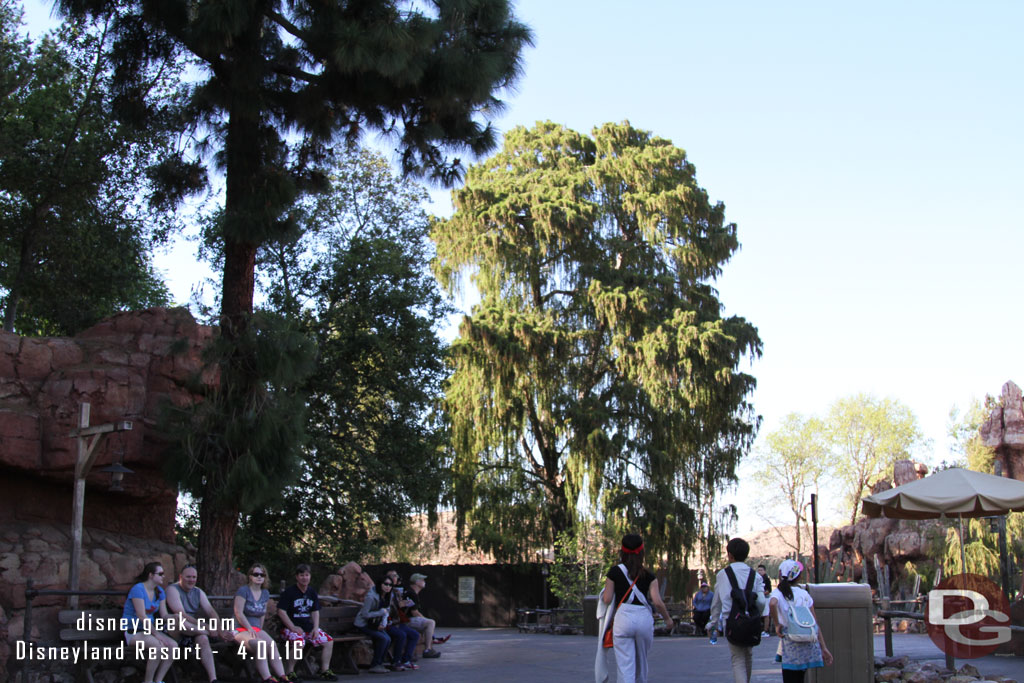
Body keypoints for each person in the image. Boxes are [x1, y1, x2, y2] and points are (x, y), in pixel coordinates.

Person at [598, 534, 674, 683]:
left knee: (625, 667)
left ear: (622, 551)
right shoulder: (649, 575)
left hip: (623, 618)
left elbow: (606, 599)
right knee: (641, 665)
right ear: (642, 551)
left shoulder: (614, 572)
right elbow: (657, 602)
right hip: (643, 619)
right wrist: (668, 619)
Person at [709, 538, 766, 683]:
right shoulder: (756, 576)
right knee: (748, 654)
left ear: (730, 555)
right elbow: (761, 601)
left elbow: (716, 602)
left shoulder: (723, 575)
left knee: (737, 658)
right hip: (751, 621)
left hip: (732, 622)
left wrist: (713, 623)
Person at [166, 564, 232, 683]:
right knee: (181, 622)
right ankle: (208, 633)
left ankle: (213, 679)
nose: (191, 580)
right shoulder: (172, 589)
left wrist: (219, 628)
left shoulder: (198, 591)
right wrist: (207, 627)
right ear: (180, 577)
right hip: (176, 630)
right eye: (188, 577)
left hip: (194, 630)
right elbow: (181, 614)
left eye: (194, 577)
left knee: (203, 639)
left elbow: (210, 611)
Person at [769, 559, 833, 682]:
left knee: (790, 677)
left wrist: (777, 624)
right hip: (807, 641)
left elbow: (772, 604)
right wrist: (823, 647)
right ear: (798, 577)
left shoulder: (778, 592)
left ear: (780, 575)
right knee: (800, 677)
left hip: (790, 642)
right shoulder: (804, 594)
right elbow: (815, 622)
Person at [277, 564, 337, 681]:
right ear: (297, 577)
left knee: (329, 641)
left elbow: (315, 611)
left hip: (307, 628)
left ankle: (324, 670)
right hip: (289, 628)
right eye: (301, 575)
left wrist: (315, 628)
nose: (304, 578)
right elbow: (281, 611)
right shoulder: (289, 592)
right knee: (300, 642)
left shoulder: (311, 592)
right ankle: (290, 672)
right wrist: (292, 627)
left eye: (307, 575)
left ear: (310, 576)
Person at [122, 561, 179, 683]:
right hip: (134, 630)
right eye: (160, 573)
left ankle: (158, 680)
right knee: (158, 647)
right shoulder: (138, 589)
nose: (163, 576)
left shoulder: (160, 592)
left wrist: (174, 617)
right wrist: (157, 635)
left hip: (150, 632)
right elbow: (141, 616)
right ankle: (148, 681)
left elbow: (164, 615)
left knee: (174, 647)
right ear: (150, 575)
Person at [233, 562, 287, 683]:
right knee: (261, 645)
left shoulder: (265, 593)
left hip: (255, 628)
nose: (259, 577)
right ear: (250, 576)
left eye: (262, 575)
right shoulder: (243, 591)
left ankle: (282, 676)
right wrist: (249, 628)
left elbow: (262, 613)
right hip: (240, 628)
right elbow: (238, 612)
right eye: (256, 574)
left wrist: (259, 630)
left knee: (272, 644)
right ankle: (267, 678)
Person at [354, 575, 394, 674]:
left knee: (388, 638)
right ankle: (375, 665)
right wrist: (380, 613)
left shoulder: (388, 596)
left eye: (390, 585)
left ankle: (379, 663)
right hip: (363, 624)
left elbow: (386, 612)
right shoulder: (371, 597)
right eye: (385, 584)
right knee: (383, 638)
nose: (388, 586)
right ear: (380, 584)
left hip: (375, 624)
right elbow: (365, 614)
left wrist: (383, 623)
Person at [383, 570, 421, 670]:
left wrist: (403, 604)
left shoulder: (396, 591)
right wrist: (397, 605)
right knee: (401, 634)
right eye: (394, 576)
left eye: (396, 575)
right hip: (387, 623)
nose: (396, 577)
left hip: (397, 621)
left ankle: (406, 660)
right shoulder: (385, 591)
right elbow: (385, 608)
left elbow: (397, 607)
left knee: (414, 635)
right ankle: (396, 661)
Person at [406, 573, 442, 658]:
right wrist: (425, 619)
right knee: (430, 623)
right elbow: (414, 612)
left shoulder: (414, 593)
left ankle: (429, 646)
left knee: (427, 623)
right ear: (417, 582)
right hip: (406, 620)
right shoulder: (411, 593)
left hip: (409, 619)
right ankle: (427, 650)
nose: (424, 582)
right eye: (422, 580)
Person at [757, 564, 773, 638]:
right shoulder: (756, 579)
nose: (760, 572)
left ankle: (766, 630)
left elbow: (769, 590)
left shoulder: (766, 579)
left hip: (766, 598)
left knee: (766, 614)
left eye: (761, 570)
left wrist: (762, 593)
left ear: (764, 571)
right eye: (758, 570)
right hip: (758, 598)